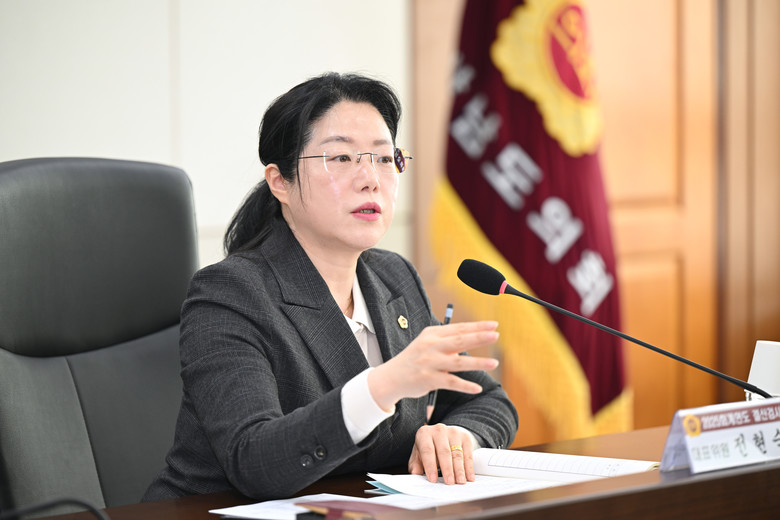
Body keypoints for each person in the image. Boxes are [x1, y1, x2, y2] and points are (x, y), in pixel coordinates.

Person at [143, 72, 518, 502]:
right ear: (280, 182)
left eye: (384, 158)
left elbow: (490, 401)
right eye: (341, 158)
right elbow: (253, 461)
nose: (370, 178)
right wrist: (382, 386)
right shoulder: (230, 293)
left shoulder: (394, 279)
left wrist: (459, 435)